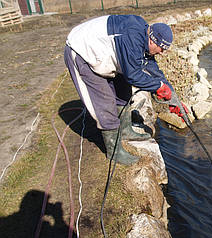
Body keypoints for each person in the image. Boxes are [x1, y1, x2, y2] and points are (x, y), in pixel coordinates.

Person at [64, 14, 180, 166]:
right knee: (104, 101)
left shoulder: (144, 36)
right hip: (82, 53)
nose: (162, 53)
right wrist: (159, 87)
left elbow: (150, 66)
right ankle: (114, 151)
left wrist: (171, 95)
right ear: (152, 40)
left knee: (123, 91)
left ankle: (124, 130)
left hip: (103, 52)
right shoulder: (130, 38)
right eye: (161, 48)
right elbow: (134, 76)